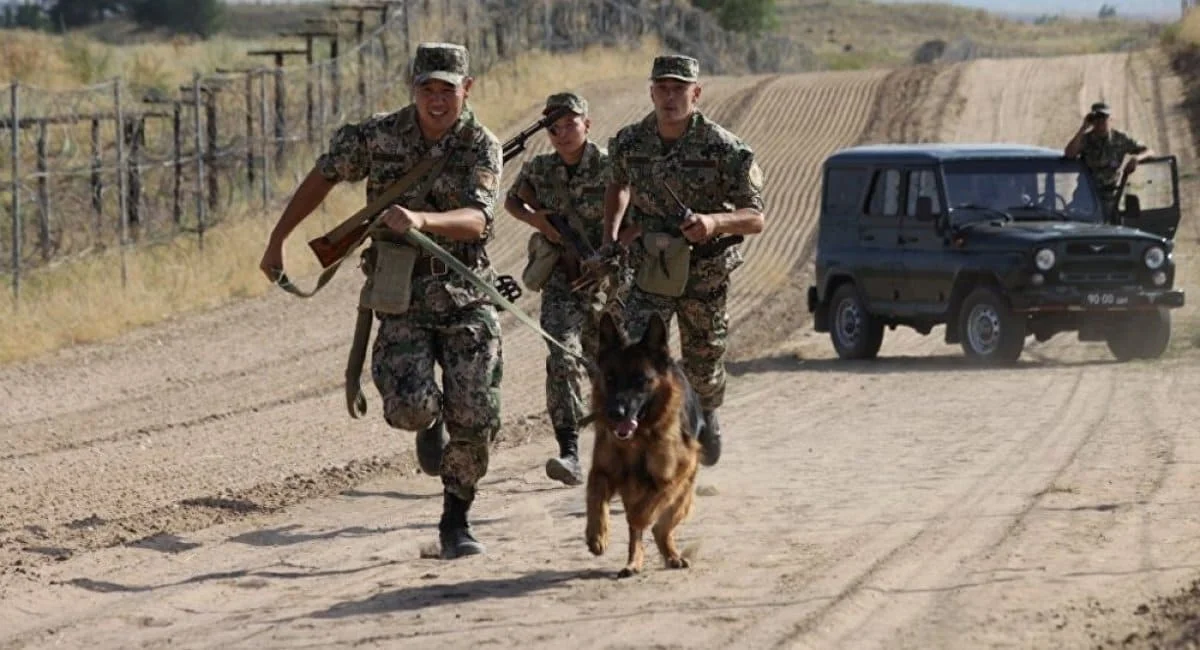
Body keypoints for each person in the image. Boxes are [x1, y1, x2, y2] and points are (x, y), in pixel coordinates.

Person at [257, 42, 504, 560]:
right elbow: (323, 176)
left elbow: (479, 219)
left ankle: (455, 520)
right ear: (413, 88)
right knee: (412, 408)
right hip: (400, 294)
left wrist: (421, 220)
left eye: (447, 90)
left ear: (468, 89)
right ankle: (427, 425)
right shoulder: (376, 135)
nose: (437, 101)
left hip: (464, 293)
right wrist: (278, 239)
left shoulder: (482, 144)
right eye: (426, 89)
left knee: (476, 414)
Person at [599, 54, 766, 468]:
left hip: (703, 272)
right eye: (663, 88)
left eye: (679, 89)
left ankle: (707, 412)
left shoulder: (726, 149)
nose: (670, 97)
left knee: (703, 362)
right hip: (649, 268)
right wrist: (611, 235)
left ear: (696, 93)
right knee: (638, 358)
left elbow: (755, 217)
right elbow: (617, 185)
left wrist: (714, 221)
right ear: (651, 91)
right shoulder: (629, 142)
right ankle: (643, 444)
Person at [504, 92, 633, 487]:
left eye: (570, 124)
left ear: (587, 124)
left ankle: (626, 448)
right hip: (563, 282)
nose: (562, 134)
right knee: (562, 356)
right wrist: (540, 224)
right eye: (554, 127)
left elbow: (643, 217)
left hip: (610, 286)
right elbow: (512, 201)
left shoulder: (612, 167)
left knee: (613, 368)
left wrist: (612, 250)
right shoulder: (540, 170)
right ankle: (570, 451)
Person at [1064, 101, 1154, 221]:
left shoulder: (1120, 139)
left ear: (1110, 119)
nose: (1101, 122)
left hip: (1111, 196)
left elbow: (1149, 151)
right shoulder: (1086, 140)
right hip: (1086, 194)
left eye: (1104, 118)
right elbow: (1069, 153)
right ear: (1092, 120)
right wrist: (1083, 128)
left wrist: (1136, 159)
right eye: (1097, 118)